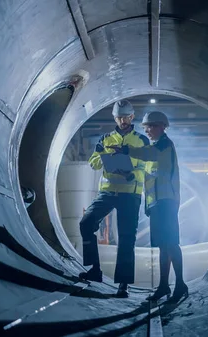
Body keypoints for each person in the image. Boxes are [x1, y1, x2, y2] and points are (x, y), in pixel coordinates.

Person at [108, 110, 188, 302]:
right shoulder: (158, 146)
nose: (148, 130)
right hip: (157, 205)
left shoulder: (164, 145)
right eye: (146, 127)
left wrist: (127, 150)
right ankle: (163, 286)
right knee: (163, 245)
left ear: (162, 126)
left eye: (151, 126)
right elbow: (148, 173)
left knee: (172, 244)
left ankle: (180, 284)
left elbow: (147, 153)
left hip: (166, 203)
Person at [79, 100, 149, 298]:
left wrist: (132, 173)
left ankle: (123, 284)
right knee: (86, 223)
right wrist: (105, 158)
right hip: (108, 192)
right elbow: (93, 162)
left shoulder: (141, 141)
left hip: (130, 194)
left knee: (127, 238)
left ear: (132, 117)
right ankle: (95, 269)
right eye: (119, 117)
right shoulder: (106, 139)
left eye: (126, 117)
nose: (122, 120)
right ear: (115, 118)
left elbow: (147, 167)